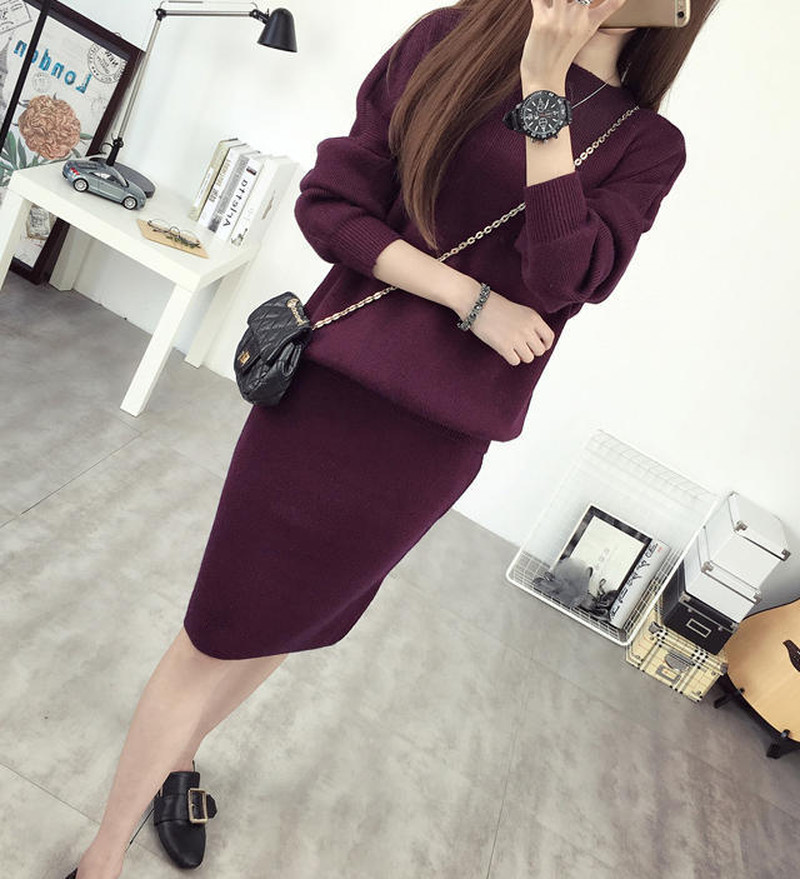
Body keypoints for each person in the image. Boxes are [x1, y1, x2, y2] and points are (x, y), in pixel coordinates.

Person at [64, 1, 719, 875]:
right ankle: (100, 858)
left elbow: (563, 274)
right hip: (328, 398)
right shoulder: (452, 36)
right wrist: (471, 300)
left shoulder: (647, 144)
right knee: (217, 624)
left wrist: (544, 90)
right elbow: (331, 208)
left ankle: (177, 757)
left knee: (290, 620)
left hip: (433, 446)